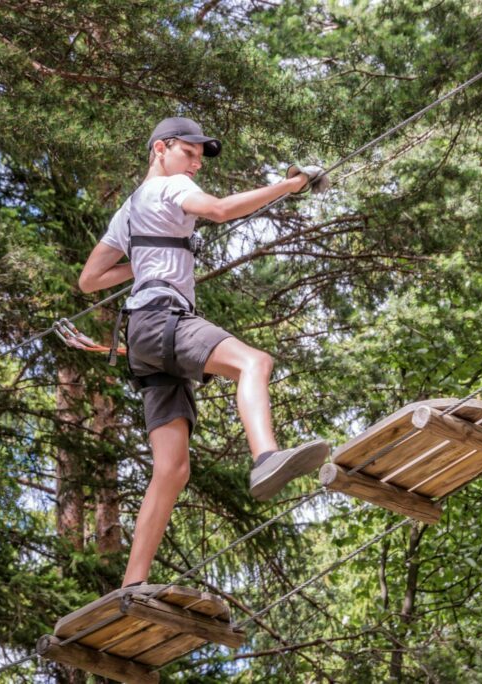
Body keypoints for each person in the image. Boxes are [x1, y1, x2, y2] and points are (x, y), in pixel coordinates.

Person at [78, 117, 331, 587]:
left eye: (199, 157)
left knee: (172, 470)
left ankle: (132, 584)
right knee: (255, 362)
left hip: (142, 342)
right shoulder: (171, 187)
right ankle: (265, 458)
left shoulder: (128, 209)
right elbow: (217, 210)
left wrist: (146, 263)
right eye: (188, 153)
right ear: (160, 149)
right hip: (163, 320)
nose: (196, 164)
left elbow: (89, 280)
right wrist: (292, 184)